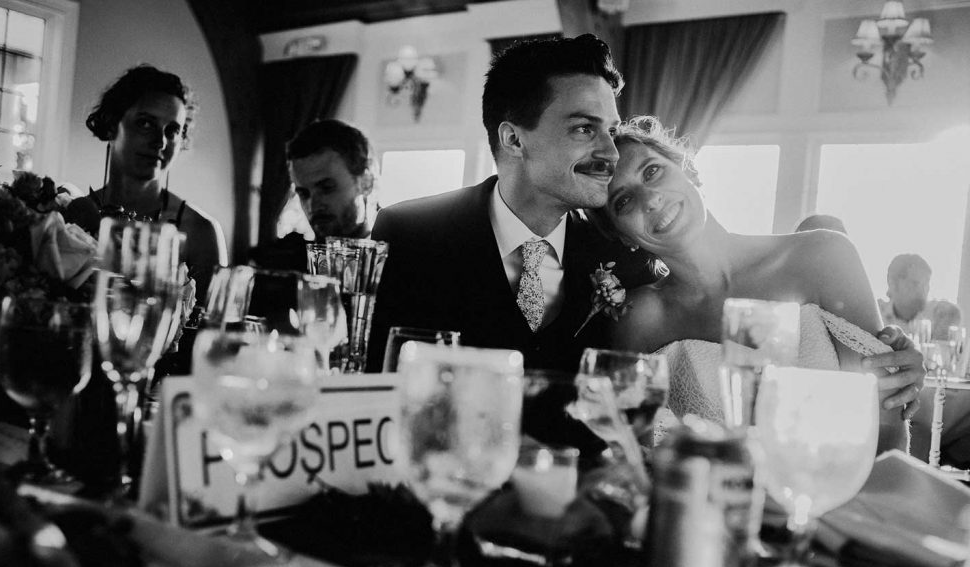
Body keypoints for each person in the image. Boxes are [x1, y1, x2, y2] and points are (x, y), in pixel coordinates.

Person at [591, 116, 925, 453]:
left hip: (837, 494)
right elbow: (634, 455)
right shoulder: (639, 318)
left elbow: (885, 429)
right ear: (623, 235)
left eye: (652, 172)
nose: (649, 199)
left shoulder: (824, 256)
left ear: (687, 169)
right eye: (623, 201)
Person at [367, 35, 652, 373]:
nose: (611, 152)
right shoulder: (408, 233)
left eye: (612, 131)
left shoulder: (620, 247)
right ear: (514, 139)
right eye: (584, 129)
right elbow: (380, 381)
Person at [65, 65, 228, 301]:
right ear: (112, 124)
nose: (160, 142)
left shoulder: (200, 232)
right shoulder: (72, 215)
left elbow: (209, 331)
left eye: (172, 130)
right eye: (145, 124)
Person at [249, 119, 377, 272]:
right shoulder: (286, 269)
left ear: (366, 183)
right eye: (303, 193)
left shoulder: (397, 262)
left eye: (327, 188)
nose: (313, 205)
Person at [878, 253, 960, 334]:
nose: (924, 290)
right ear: (893, 283)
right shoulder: (877, 315)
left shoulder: (937, 314)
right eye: (915, 284)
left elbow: (953, 313)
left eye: (926, 284)